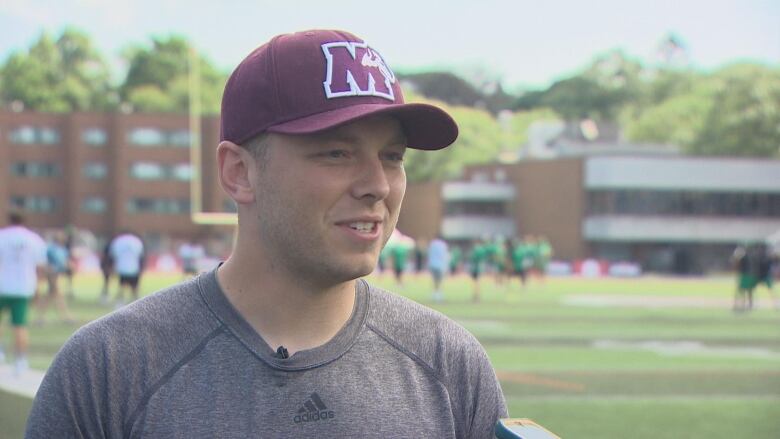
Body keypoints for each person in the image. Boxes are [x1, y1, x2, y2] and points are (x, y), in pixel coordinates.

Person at [27, 29, 506, 438]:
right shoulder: (106, 370)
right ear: (239, 172)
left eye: (393, 156)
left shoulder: (450, 366)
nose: (377, 185)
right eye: (337, 153)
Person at [0, 209, 46, 375]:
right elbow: (40, 267)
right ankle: (21, 360)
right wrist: (38, 288)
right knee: (20, 325)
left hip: (3, 285)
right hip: (24, 287)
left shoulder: (3, 236)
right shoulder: (34, 239)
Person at [36, 230, 75, 325]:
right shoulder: (51, 249)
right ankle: (66, 316)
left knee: (52, 295)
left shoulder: (62, 249)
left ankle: (40, 317)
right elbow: (47, 261)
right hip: (52, 274)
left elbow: (64, 262)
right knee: (57, 294)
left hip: (57, 274)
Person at [109, 231, 145, 307]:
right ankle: (137, 304)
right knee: (134, 288)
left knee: (122, 286)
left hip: (122, 268)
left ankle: (120, 302)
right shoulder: (136, 241)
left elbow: (113, 254)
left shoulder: (118, 241)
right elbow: (141, 255)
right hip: (134, 268)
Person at [427, 236, 450, 302]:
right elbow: (445, 255)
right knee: (440, 280)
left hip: (432, 264)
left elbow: (429, 253)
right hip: (440, 265)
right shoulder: (443, 245)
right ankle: (439, 294)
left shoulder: (432, 244)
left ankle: (434, 293)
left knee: (434, 280)